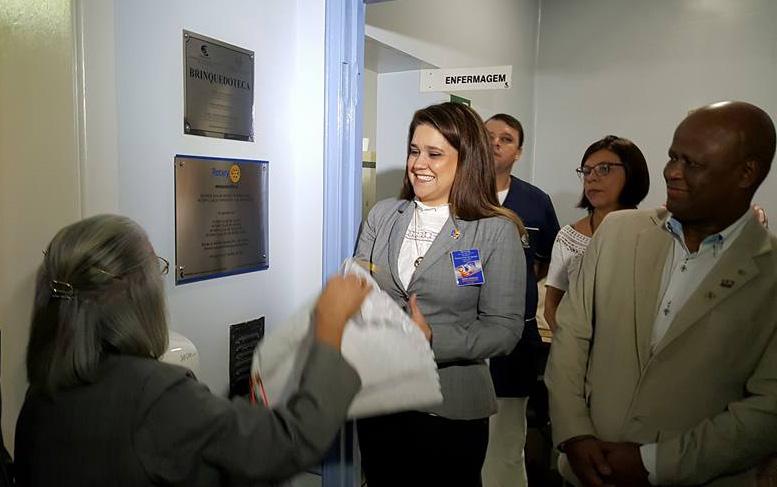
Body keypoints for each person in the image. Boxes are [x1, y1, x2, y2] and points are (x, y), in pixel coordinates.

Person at [14, 214, 370, 487]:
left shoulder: (39, 397)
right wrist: (330, 326)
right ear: (135, 294)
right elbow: (287, 444)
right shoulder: (154, 396)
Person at [545, 100, 777, 486]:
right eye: (673, 157)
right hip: (585, 470)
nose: (672, 172)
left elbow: (768, 408)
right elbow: (571, 336)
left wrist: (652, 463)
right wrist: (574, 434)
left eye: (693, 164)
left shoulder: (770, 273)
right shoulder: (618, 233)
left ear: (746, 173)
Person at [354, 102, 526, 487]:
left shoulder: (494, 231)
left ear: (467, 160)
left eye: (434, 153)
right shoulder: (383, 215)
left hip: (451, 410)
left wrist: (431, 340)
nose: (418, 164)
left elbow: (504, 329)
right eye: (414, 151)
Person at [482, 113, 560, 487]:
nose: (496, 142)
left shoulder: (535, 202)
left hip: (515, 339)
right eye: (489, 135)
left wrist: (512, 289)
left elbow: (547, 263)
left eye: (506, 138)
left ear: (518, 152)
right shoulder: (453, 192)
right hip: (459, 335)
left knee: (507, 440)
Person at [544, 135, 650, 331]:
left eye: (604, 169)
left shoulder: (652, 233)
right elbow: (552, 306)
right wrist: (570, 348)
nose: (591, 177)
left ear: (631, 172)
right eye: (586, 171)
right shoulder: (568, 237)